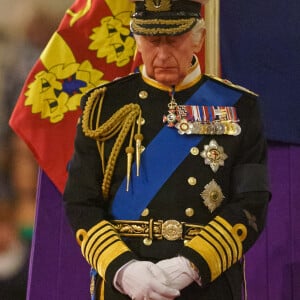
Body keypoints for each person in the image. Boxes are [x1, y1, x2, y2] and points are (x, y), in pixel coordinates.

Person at [63, 0, 270, 299]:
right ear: (137, 39)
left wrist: (191, 265)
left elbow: (252, 202)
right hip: (127, 286)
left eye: (173, 41)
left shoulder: (240, 107)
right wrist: (123, 269)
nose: (161, 54)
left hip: (207, 283)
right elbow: (80, 202)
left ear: (198, 38)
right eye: (151, 41)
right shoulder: (104, 106)